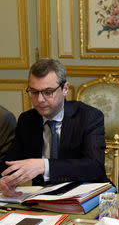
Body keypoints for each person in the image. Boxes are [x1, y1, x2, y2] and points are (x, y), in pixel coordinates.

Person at [1, 59, 108, 197]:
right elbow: (11, 163)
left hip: (87, 194)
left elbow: (94, 167)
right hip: (43, 198)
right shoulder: (27, 120)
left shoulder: (88, 117)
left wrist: (45, 166)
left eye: (48, 92)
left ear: (65, 89)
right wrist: (5, 179)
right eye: (34, 92)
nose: (40, 99)